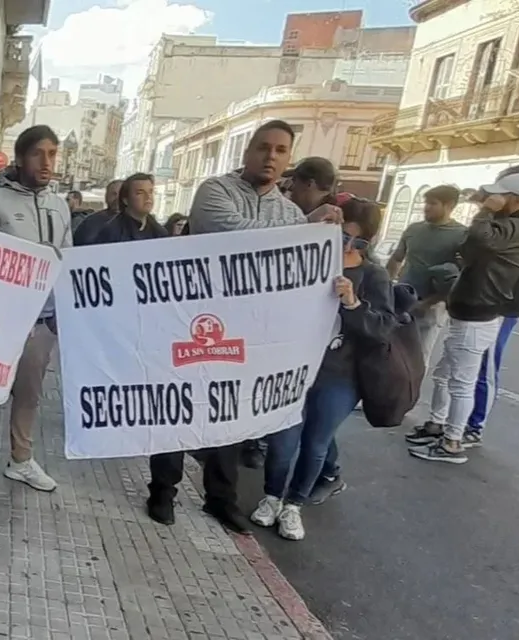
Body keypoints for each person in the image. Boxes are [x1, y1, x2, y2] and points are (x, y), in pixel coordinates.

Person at [154, 119, 342, 534]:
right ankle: (162, 490)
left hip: (247, 333)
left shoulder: (289, 211)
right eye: (263, 147)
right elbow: (236, 236)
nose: (270, 157)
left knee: (229, 414)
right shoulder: (215, 192)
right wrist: (306, 227)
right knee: (177, 404)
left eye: (280, 151)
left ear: (288, 159)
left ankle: (220, 499)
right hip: (194, 321)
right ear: (247, 151)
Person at [251, 197, 395, 540]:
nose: (346, 246)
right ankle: (272, 497)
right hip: (294, 369)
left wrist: (353, 304)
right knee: (283, 439)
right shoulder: (308, 262)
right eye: (342, 235)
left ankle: (294, 505)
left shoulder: (373, 275)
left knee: (317, 443)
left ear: (369, 243)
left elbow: (383, 328)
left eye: (358, 242)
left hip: (340, 375)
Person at [0, 125, 72, 496]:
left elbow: (66, 261)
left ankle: (21, 461)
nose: (47, 162)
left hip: (42, 321)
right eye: (39, 153)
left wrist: (61, 311)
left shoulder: (59, 206)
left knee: (29, 394)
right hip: (2, 321)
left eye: (53, 154)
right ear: (22, 157)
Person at [407, 172, 519, 464]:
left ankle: (452, 443)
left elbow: (481, 239)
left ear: (517, 199)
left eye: (501, 195)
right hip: (468, 310)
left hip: (478, 313)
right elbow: (470, 247)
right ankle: (438, 424)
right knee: (445, 375)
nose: (493, 199)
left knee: (461, 382)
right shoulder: (508, 225)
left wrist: (485, 210)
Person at [464, 165, 519, 446]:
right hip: (488, 296)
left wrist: (488, 211)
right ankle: (460, 420)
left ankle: (475, 425)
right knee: (470, 363)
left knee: (486, 365)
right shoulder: (514, 217)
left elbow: (511, 255)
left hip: (504, 301)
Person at [386, 185, 468, 366]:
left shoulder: (461, 235)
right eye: (426, 203)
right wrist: (385, 287)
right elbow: (396, 259)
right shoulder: (414, 229)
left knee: (419, 358)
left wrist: (430, 302)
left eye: (433, 203)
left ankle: (411, 393)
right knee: (390, 353)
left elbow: (461, 277)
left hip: (431, 307)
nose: (426, 207)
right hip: (401, 299)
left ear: (449, 206)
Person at [72, 179, 123, 245]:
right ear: (106, 196)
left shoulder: (136, 224)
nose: (118, 198)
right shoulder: (90, 223)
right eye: (114, 194)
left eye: (121, 194)